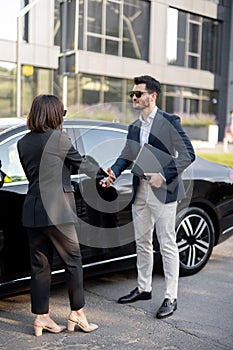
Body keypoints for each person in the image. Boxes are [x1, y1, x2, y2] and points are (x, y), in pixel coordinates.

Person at [104, 75, 196, 319]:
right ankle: (144, 288)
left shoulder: (169, 121)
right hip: (140, 190)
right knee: (142, 241)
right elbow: (126, 155)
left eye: (138, 94)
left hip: (163, 191)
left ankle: (171, 296)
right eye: (132, 94)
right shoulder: (134, 126)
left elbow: (188, 154)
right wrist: (114, 171)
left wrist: (163, 175)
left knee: (166, 244)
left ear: (152, 96)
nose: (133, 97)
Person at [17, 94, 109, 336]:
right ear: (53, 114)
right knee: (73, 261)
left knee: (40, 266)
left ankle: (41, 317)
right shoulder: (58, 138)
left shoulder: (23, 142)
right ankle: (77, 314)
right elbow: (82, 163)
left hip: (33, 209)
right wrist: (103, 176)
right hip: (57, 210)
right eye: (62, 113)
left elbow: (34, 174)